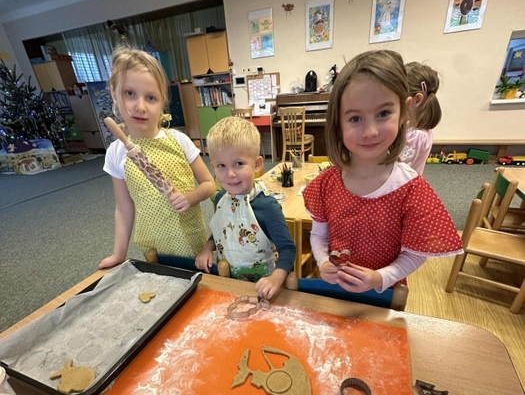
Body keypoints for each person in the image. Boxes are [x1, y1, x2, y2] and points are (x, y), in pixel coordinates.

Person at [302, 50, 463, 295]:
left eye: (383, 114)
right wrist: (323, 262)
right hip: (336, 292)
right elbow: (319, 235)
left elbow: (415, 254)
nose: (370, 131)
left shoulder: (411, 188)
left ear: (404, 112)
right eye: (355, 118)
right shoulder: (326, 183)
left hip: (384, 294)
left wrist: (380, 278)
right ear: (338, 123)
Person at [99, 47, 215, 269]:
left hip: (191, 238)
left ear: (162, 102)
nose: (140, 106)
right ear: (114, 93)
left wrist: (189, 198)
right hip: (153, 243)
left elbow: (209, 184)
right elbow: (123, 208)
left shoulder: (179, 140)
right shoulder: (116, 152)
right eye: (129, 93)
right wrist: (118, 254)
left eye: (151, 97)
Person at [195, 116, 296, 299]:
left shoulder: (268, 207)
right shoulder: (220, 199)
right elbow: (222, 230)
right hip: (228, 283)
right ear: (213, 167)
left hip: (262, 288)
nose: (230, 174)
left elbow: (288, 248)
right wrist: (207, 248)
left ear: (257, 164)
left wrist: (276, 278)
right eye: (221, 166)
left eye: (239, 164)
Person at [400, 62, 442, 175]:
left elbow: (398, 170)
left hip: (403, 184)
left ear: (417, 100)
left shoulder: (416, 136)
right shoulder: (410, 126)